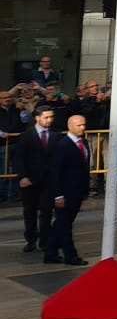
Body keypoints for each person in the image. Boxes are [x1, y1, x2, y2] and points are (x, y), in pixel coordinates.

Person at [44, 112, 91, 265]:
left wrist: (84, 190)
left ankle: (50, 252)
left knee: (62, 223)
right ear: (70, 126)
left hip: (77, 191)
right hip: (64, 192)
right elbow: (56, 172)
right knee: (65, 225)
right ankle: (70, 255)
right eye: (79, 125)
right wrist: (58, 195)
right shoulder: (63, 145)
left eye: (84, 124)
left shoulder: (83, 143)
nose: (82, 128)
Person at [19, 103, 56, 255]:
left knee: (46, 211)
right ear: (37, 118)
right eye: (46, 117)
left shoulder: (56, 135)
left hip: (48, 181)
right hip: (30, 180)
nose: (49, 120)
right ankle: (31, 239)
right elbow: (19, 158)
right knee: (30, 211)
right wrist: (23, 176)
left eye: (51, 117)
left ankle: (44, 240)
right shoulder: (26, 136)